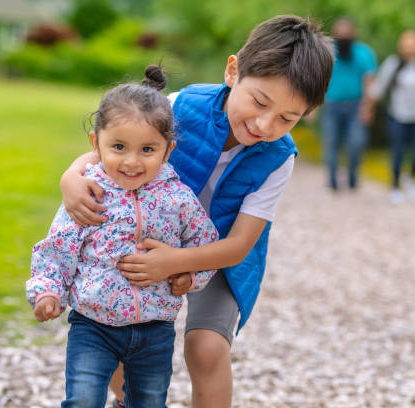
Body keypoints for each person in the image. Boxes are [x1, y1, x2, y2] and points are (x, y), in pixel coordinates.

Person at [61, 15, 334, 408]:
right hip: (149, 238)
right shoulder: (181, 106)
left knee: (206, 348)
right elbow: (118, 148)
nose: (264, 124)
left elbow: (239, 245)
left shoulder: (278, 157)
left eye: (286, 119)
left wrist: (176, 262)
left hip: (219, 256)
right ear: (232, 71)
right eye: (259, 102)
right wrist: (71, 176)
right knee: (114, 325)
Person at [26, 65, 218, 408]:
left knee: (147, 402)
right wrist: (47, 290)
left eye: (147, 149)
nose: (132, 161)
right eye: (118, 147)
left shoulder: (178, 199)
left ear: (168, 150)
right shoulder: (89, 193)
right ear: (95, 144)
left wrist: (189, 277)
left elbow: (204, 245)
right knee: (82, 399)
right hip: (92, 325)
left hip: (155, 329)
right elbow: (57, 248)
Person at [361, 29, 415, 204]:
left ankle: (412, 178)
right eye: (405, 44)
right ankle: (394, 187)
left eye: (412, 43)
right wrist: (368, 108)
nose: (409, 48)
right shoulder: (393, 64)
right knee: (397, 152)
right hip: (397, 116)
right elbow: (377, 89)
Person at [321, 17, 377, 191]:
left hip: (356, 106)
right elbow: (319, 79)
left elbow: (370, 83)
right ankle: (332, 180)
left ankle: (353, 177)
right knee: (331, 143)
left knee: (356, 143)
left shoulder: (364, 54)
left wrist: (368, 107)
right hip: (332, 105)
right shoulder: (328, 53)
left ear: (354, 34)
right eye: (340, 35)